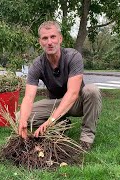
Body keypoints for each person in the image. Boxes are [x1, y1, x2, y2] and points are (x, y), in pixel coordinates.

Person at [17, 21, 102, 151]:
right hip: (55, 103)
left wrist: (49, 121)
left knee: (92, 90)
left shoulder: (73, 56)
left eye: (53, 37)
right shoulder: (37, 64)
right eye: (45, 38)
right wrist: (23, 121)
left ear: (60, 38)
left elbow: (73, 93)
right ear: (40, 42)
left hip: (76, 103)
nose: (49, 42)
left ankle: (86, 138)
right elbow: (28, 97)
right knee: (19, 116)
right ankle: (62, 124)